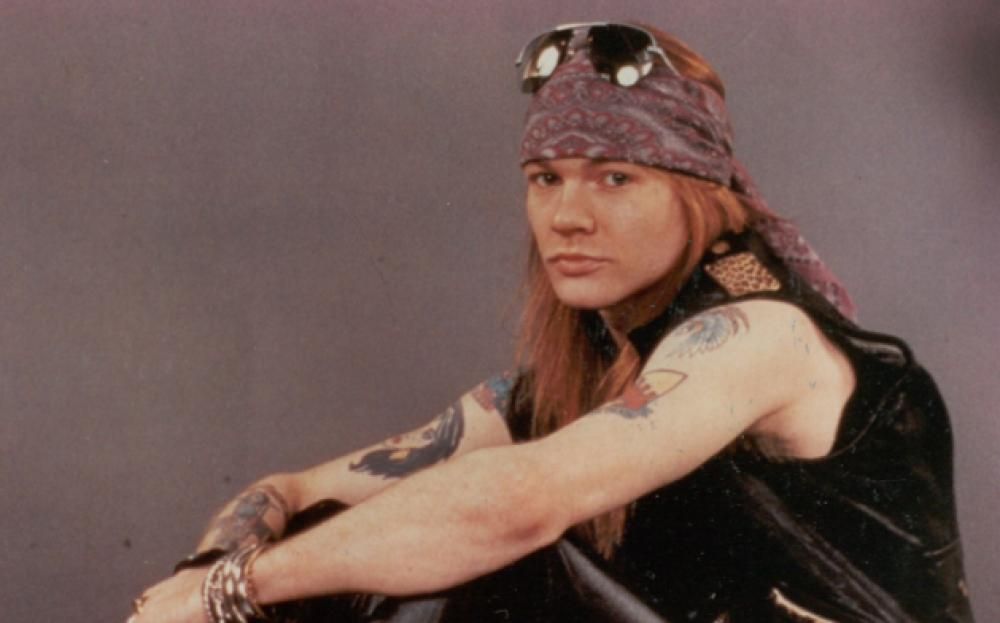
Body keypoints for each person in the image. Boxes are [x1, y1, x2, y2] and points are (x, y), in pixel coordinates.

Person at [130, 22, 974, 622]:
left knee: (489, 556)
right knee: (341, 541)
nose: (567, 216)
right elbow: (292, 490)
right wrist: (201, 577)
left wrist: (232, 589)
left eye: (615, 178)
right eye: (546, 178)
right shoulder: (584, 381)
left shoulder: (759, 336)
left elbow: (519, 504)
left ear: (701, 196)